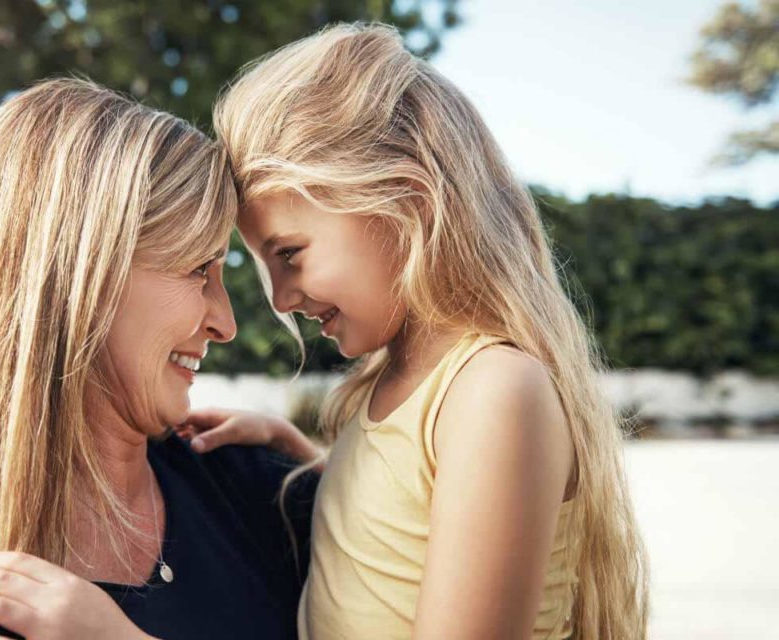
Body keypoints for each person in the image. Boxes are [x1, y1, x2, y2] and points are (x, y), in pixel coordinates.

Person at [189, 22, 650, 640]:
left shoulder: (494, 390)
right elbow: (405, 524)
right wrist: (297, 453)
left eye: (290, 254)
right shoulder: (400, 381)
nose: (281, 298)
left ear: (404, 199)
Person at [0, 77, 317, 640]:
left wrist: (331, 477)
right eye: (197, 269)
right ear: (78, 283)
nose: (225, 324)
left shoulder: (257, 486)